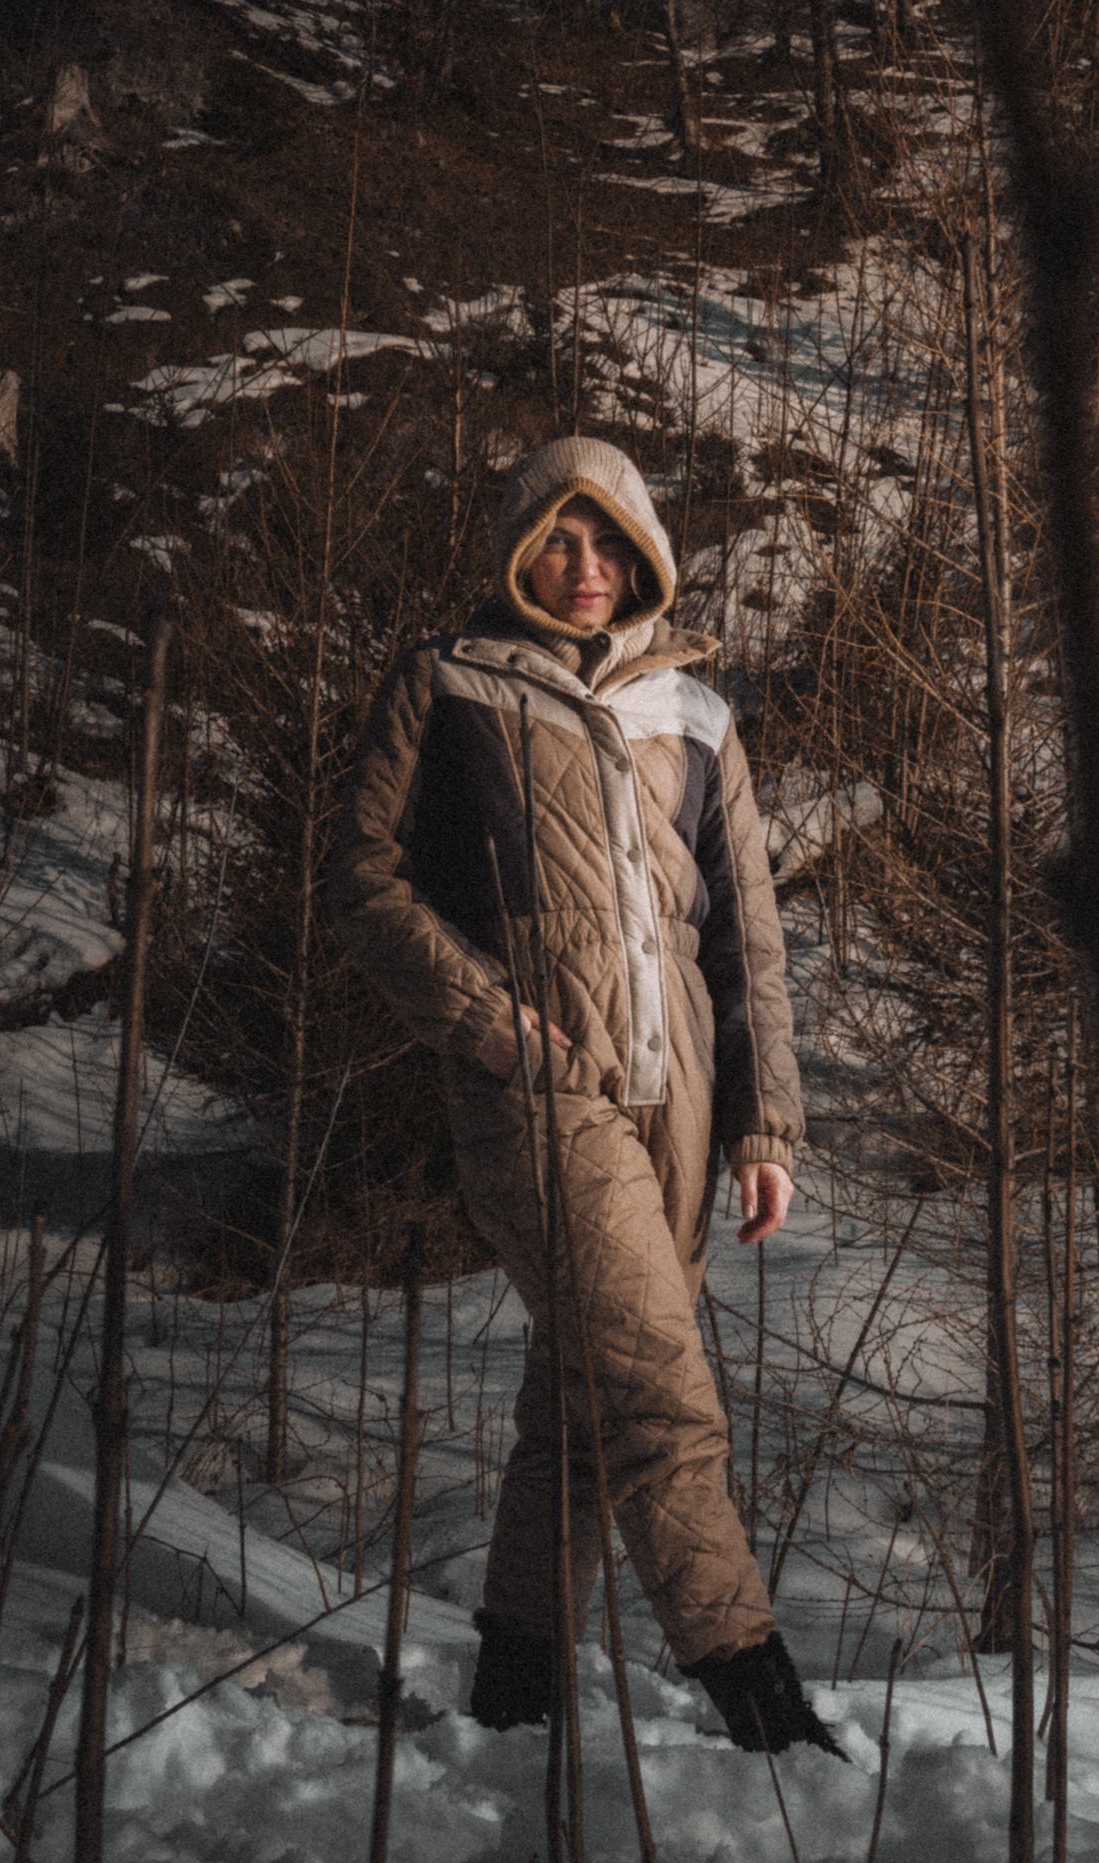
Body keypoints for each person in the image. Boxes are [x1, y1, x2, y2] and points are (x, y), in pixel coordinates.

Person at [330, 436, 841, 1756]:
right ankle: (765, 1712)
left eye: (609, 539)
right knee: (663, 1405)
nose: (585, 565)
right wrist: (490, 1022)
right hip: (538, 1089)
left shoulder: (698, 714)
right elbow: (363, 884)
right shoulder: (446, 682)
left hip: (683, 1099)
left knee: (578, 1412)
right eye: (559, 537)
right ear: (519, 547)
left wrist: (763, 1124)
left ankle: (512, 1702)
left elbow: (746, 938)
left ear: (647, 553)